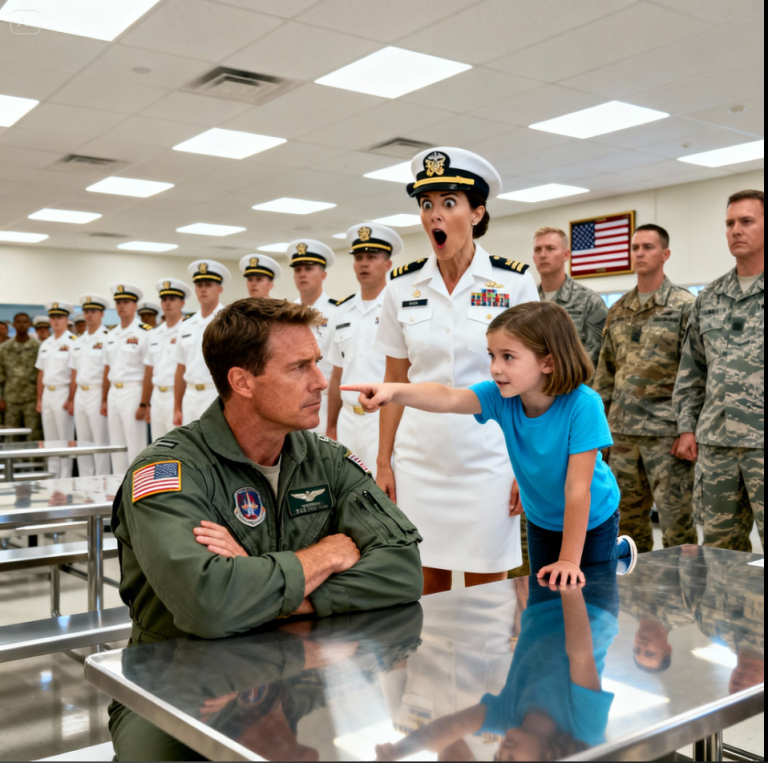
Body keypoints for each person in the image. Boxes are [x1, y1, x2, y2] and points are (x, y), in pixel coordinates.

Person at [108, 297, 422, 761]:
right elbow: (208, 605)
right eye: (299, 367)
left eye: (317, 363)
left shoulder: (325, 460)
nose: (321, 381)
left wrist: (271, 592)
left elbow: (403, 567)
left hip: (298, 669)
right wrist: (327, 554)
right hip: (177, 676)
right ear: (242, 382)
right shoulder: (171, 470)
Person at [349, 301, 638, 584]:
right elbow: (447, 397)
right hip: (543, 518)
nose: (495, 368)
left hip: (592, 518)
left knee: (592, 600)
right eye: (492, 355)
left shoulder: (583, 405)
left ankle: (616, 551)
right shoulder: (501, 397)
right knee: (548, 592)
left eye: (508, 357)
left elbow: (578, 491)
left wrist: (568, 560)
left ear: (547, 362)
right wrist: (393, 391)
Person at [373, 147, 539, 594]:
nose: (434, 216)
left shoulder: (513, 282)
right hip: (418, 461)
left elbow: (531, 385)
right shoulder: (401, 286)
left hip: (489, 458)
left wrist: (526, 465)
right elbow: (395, 380)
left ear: (477, 212)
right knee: (426, 592)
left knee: (489, 595)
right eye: (427, 205)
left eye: (449, 204)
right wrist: (383, 459)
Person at [376, 564, 620, 762]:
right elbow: (524, 664)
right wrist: (523, 608)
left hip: (426, 611)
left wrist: (390, 600)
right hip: (493, 612)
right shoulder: (503, 733)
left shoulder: (406, 727)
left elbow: (391, 658)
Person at [594, 224, 697, 554]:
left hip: (667, 436)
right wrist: (599, 432)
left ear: (665, 255)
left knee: (677, 528)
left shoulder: (684, 305)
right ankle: (638, 600)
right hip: (622, 437)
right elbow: (606, 373)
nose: (639, 253)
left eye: (648, 247)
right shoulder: (619, 308)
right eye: (635, 247)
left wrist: (688, 430)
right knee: (625, 528)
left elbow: (695, 373)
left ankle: (683, 601)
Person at [674, 190, 764, 552]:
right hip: (716, 444)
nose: (736, 231)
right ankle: (728, 611)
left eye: (746, 222)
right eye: (730, 223)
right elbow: (692, 368)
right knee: (719, 548)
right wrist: (686, 426)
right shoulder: (709, 296)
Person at [326, 223, 402, 474]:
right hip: (347, 419)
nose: (364, 263)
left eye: (372, 257)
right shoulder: (342, 311)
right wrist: (332, 425)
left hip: (383, 418)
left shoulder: (399, 307)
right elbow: (337, 374)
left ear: (388, 264)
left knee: (385, 494)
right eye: (359, 258)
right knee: (346, 492)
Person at [533, 227, 607, 369]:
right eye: (538, 250)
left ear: (566, 255)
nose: (543, 255)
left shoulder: (590, 301)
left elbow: (600, 354)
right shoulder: (527, 300)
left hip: (575, 387)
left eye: (550, 248)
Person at [102, 284, 152, 474]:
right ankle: (118, 488)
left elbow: (149, 371)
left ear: (135, 305)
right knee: (117, 445)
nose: (122, 306)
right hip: (114, 392)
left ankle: (135, 490)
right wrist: (104, 399)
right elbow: (108, 369)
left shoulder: (145, 332)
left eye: (126, 302)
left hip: (134, 390)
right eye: (119, 302)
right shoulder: (111, 334)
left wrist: (144, 402)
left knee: (135, 444)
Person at [173, 259, 230, 426]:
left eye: (208, 284)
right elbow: (180, 369)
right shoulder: (186, 324)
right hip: (190, 396)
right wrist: (177, 406)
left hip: (216, 395)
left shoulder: (229, 321)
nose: (203, 289)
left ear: (219, 289)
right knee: (189, 448)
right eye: (199, 285)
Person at [290, 239, 338, 434]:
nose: (302, 273)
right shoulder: (285, 313)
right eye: (298, 269)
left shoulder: (337, 311)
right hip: (291, 401)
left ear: (323, 274)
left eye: (309, 268)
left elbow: (338, 366)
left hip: (324, 402)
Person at [68, 295, 111, 476]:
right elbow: (74, 372)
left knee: (100, 441)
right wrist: (71, 399)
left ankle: (102, 481)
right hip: (81, 394)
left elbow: (108, 371)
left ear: (101, 314)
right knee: (84, 442)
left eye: (93, 311)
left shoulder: (108, 338)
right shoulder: (78, 341)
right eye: (86, 311)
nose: (89, 315)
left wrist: (104, 399)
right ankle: (86, 482)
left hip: (96, 392)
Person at [144, 279, 191, 442]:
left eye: (172, 299)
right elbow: (150, 371)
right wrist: (147, 403)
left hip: (177, 396)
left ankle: (173, 470)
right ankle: (161, 470)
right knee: (158, 447)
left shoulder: (188, 329)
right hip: (157, 397)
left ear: (182, 303)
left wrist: (179, 405)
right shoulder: (154, 334)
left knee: (177, 446)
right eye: (164, 299)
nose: (167, 303)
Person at [35, 301, 77, 477]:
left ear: (67, 319)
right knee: (50, 439)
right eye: (53, 317)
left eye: (59, 317)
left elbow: (75, 373)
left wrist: (71, 398)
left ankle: (65, 477)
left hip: (63, 392)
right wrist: (39, 398)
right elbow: (41, 373)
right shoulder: (46, 344)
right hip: (48, 394)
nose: (56, 321)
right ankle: (53, 476)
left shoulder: (73, 342)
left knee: (64, 439)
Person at [0, 313, 42, 441]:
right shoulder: (4, 348)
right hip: (10, 399)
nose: (22, 324)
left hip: (32, 399)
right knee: (11, 434)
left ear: (29, 324)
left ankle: (33, 460)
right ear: (13, 325)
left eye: (25, 322)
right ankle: (11, 461)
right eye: (18, 322)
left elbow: (42, 374)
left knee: (33, 434)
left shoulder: (38, 347)